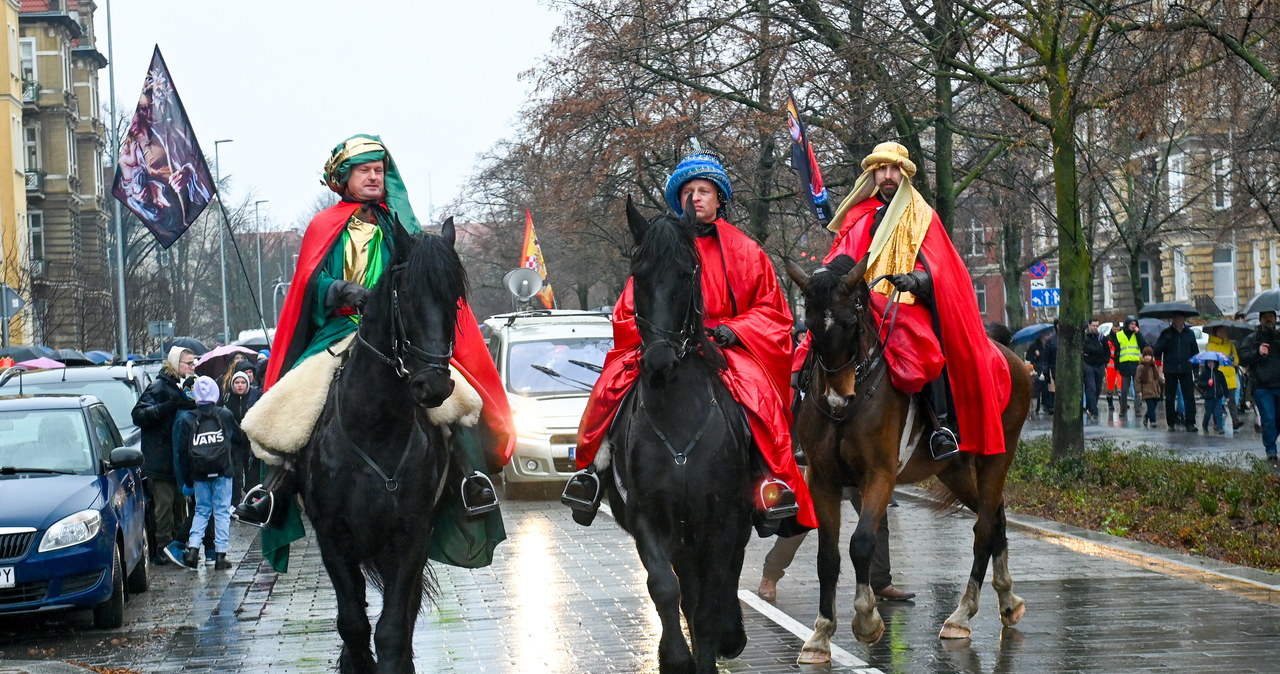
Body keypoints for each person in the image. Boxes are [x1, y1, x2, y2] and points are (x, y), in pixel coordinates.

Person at [234, 135, 514, 572]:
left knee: (459, 401)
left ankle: (469, 478)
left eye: (379, 170)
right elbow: (312, 283)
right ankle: (274, 486)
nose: (373, 177)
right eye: (364, 170)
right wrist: (343, 290)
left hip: (397, 336)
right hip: (340, 329)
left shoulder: (397, 226)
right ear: (344, 179)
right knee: (292, 402)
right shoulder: (325, 226)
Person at [563, 152, 817, 532]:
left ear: (719, 199)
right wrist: (655, 336)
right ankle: (592, 473)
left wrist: (738, 329)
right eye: (689, 192)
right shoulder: (659, 245)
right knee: (607, 391)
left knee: (760, 400)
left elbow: (773, 312)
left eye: (704, 190)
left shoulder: (748, 252)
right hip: (663, 342)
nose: (696, 198)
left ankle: (770, 483)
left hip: (726, 347)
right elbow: (629, 306)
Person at [797, 142, 1010, 460]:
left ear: (903, 174)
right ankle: (801, 435)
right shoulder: (859, 215)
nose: (887, 175)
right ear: (873, 174)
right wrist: (824, 275)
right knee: (808, 350)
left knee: (926, 348)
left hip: (904, 303)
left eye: (893, 169)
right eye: (881, 169)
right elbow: (843, 257)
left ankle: (941, 428)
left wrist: (917, 279)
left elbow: (940, 267)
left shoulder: (922, 215)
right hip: (859, 303)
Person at [757, 488, 914, 603]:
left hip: (862, 462)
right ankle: (770, 574)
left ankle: (881, 582)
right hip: (829, 462)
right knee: (804, 521)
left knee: (876, 517)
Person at [131, 346, 197, 566]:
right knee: (164, 507)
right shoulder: (158, 386)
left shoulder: (186, 386)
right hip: (160, 458)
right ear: (175, 364)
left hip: (178, 458)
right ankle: (162, 547)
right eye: (188, 363)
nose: (193, 366)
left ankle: (178, 545)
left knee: (181, 504)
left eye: (194, 362)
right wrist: (168, 407)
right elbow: (138, 415)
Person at [173, 376, 243, 570]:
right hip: (223, 470)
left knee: (201, 510)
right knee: (221, 512)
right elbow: (238, 438)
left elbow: (182, 453)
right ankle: (220, 555)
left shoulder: (188, 418)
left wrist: (187, 480)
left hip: (199, 473)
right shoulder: (225, 414)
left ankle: (193, 550)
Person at [1240, 310, 1280, 462]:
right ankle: (1271, 449)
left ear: (1275, 320)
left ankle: (1270, 437)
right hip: (1262, 386)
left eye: (1271, 317)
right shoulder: (1252, 339)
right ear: (1260, 320)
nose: (1268, 320)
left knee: (1277, 418)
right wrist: (1257, 352)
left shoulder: (1278, 338)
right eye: (1265, 318)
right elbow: (1243, 358)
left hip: (1279, 384)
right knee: (1269, 418)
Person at [1154, 312, 1200, 431]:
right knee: (1169, 397)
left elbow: (1195, 352)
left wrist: (1195, 370)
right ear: (1173, 319)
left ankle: (1190, 422)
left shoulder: (1189, 334)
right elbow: (1157, 351)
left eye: (1180, 318)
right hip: (1170, 369)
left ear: (1184, 319)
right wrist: (1159, 368)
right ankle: (1171, 421)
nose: (1178, 320)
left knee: (1189, 396)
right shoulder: (1166, 333)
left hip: (1186, 369)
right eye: (1176, 318)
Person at [1206, 326, 1244, 430]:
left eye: (1224, 331)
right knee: (1217, 400)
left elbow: (1236, 361)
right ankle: (1216, 422)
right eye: (1220, 331)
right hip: (1218, 376)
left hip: (1230, 375)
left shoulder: (1230, 345)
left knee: (1231, 400)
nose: (1223, 333)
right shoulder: (1210, 345)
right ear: (1215, 332)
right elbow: (1210, 359)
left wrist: (1232, 358)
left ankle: (1235, 420)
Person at [1109, 316, 1146, 418]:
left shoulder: (1137, 334)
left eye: (1135, 324)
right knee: (1124, 389)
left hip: (1136, 365)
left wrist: (1138, 333)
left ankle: (1137, 409)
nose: (1133, 326)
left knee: (1137, 389)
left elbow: (1143, 345)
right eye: (1131, 324)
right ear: (1127, 324)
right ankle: (1123, 409)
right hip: (1124, 365)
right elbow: (1116, 352)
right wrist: (1117, 365)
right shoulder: (1119, 335)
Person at [1082, 319, 1110, 420]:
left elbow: (1107, 351)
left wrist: (1105, 362)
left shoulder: (1101, 338)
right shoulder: (1084, 338)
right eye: (1093, 325)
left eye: (1097, 326)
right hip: (1088, 364)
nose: (1095, 328)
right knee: (1091, 388)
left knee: (1098, 388)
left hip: (1100, 364)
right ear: (1089, 325)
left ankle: (1091, 406)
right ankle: (1094, 410)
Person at [1135, 347, 1164, 428]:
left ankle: (1147, 416)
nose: (1147, 357)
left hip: (1155, 390)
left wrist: (1162, 382)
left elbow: (1157, 377)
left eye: (1149, 355)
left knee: (1154, 406)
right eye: (1146, 355)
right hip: (1146, 390)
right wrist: (1139, 391)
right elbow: (1137, 380)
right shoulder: (1141, 367)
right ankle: (1153, 421)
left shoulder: (1153, 366)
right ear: (1143, 356)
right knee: (1151, 406)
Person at [1198, 359, 1228, 434]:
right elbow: (1199, 383)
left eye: (1212, 362)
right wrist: (1207, 384)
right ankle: (1205, 424)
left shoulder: (1219, 373)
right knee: (1208, 413)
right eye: (1208, 362)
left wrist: (1227, 396)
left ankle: (1220, 427)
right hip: (1209, 397)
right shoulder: (1205, 373)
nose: (1210, 364)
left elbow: (1224, 385)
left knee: (1219, 412)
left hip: (1218, 397)